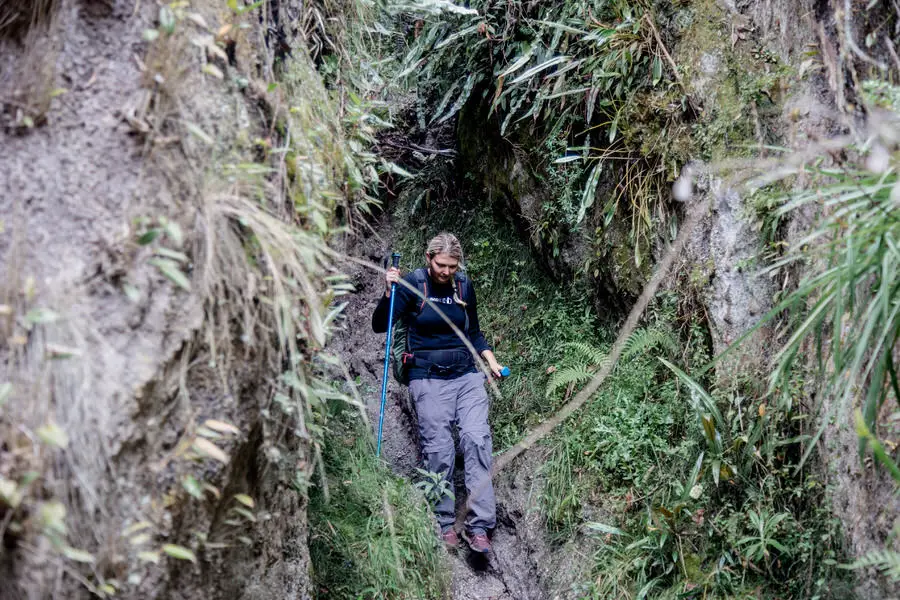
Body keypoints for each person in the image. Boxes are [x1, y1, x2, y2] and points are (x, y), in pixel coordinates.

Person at [371, 232, 504, 553]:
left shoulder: (463, 287)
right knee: (440, 448)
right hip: (426, 377)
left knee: (476, 439)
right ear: (428, 258)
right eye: (441, 264)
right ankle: (444, 520)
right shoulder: (413, 285)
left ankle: (480, 525)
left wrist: (491, 361)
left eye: (452, 266)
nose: (446, 271)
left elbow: (473, 332)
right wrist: (390, 292)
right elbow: (379, 324)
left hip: (466, 376)